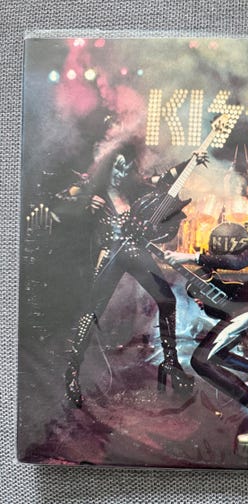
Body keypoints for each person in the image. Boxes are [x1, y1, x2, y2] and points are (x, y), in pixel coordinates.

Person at [57, 143, 207, 407]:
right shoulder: (94, 188)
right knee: (92, 311)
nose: (121, 172)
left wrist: (192, 161)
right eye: (117, 166)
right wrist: (83, 203)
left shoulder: (134, 188)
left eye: (125, 167)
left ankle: (171, 365)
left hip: (136, 251)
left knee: (167, 300)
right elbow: (62, 201)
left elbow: (168, 177)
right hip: (110, 253)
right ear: (108, 166)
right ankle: (71, 372)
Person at [164, 187, 248, 448]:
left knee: (201, 360)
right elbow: (244, 270)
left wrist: (190, 256)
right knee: (216, 354)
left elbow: (239, 261)